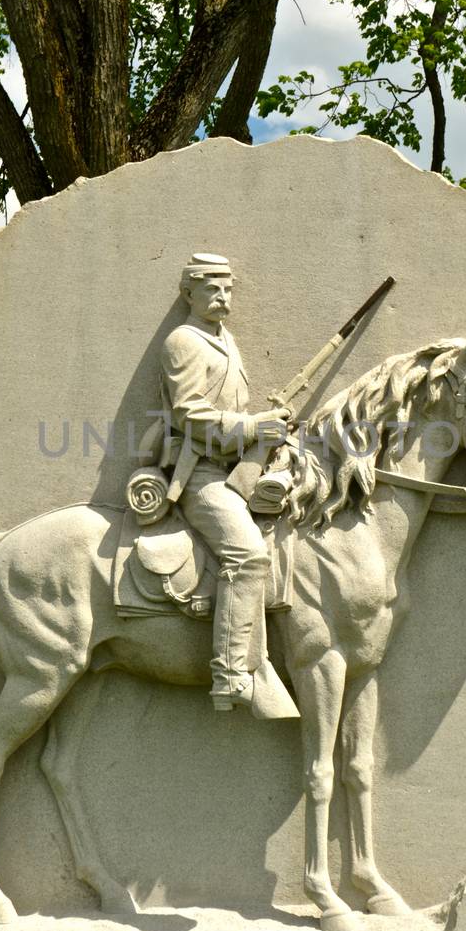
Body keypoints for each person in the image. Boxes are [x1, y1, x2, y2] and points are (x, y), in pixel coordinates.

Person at [158, 253, 297, 718]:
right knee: (247, 554)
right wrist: (253, 426)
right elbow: (189, 414)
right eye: (212, 289)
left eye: (228, 289)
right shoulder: (184, 340)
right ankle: (232, 673)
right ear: (189, 294)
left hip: (233, 467)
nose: (223, 297)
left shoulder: (226, 341)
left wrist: (269, 429)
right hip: (200, 475)